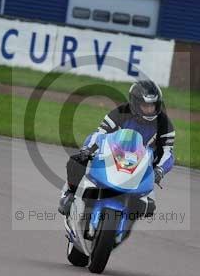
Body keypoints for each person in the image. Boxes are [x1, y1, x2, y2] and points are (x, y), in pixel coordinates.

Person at [58, 79, 176, 216]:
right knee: (76, 161)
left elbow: (168, 152)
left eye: (154, 106)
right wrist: (86, 149)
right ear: (135, 104)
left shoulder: (164, 124)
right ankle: (69, 194)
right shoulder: (120, 113)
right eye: (146, 106)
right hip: (113, 156)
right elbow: (100, 133)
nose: (151, 110)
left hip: (142, 167)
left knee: (149, 207)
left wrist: (160, 170)